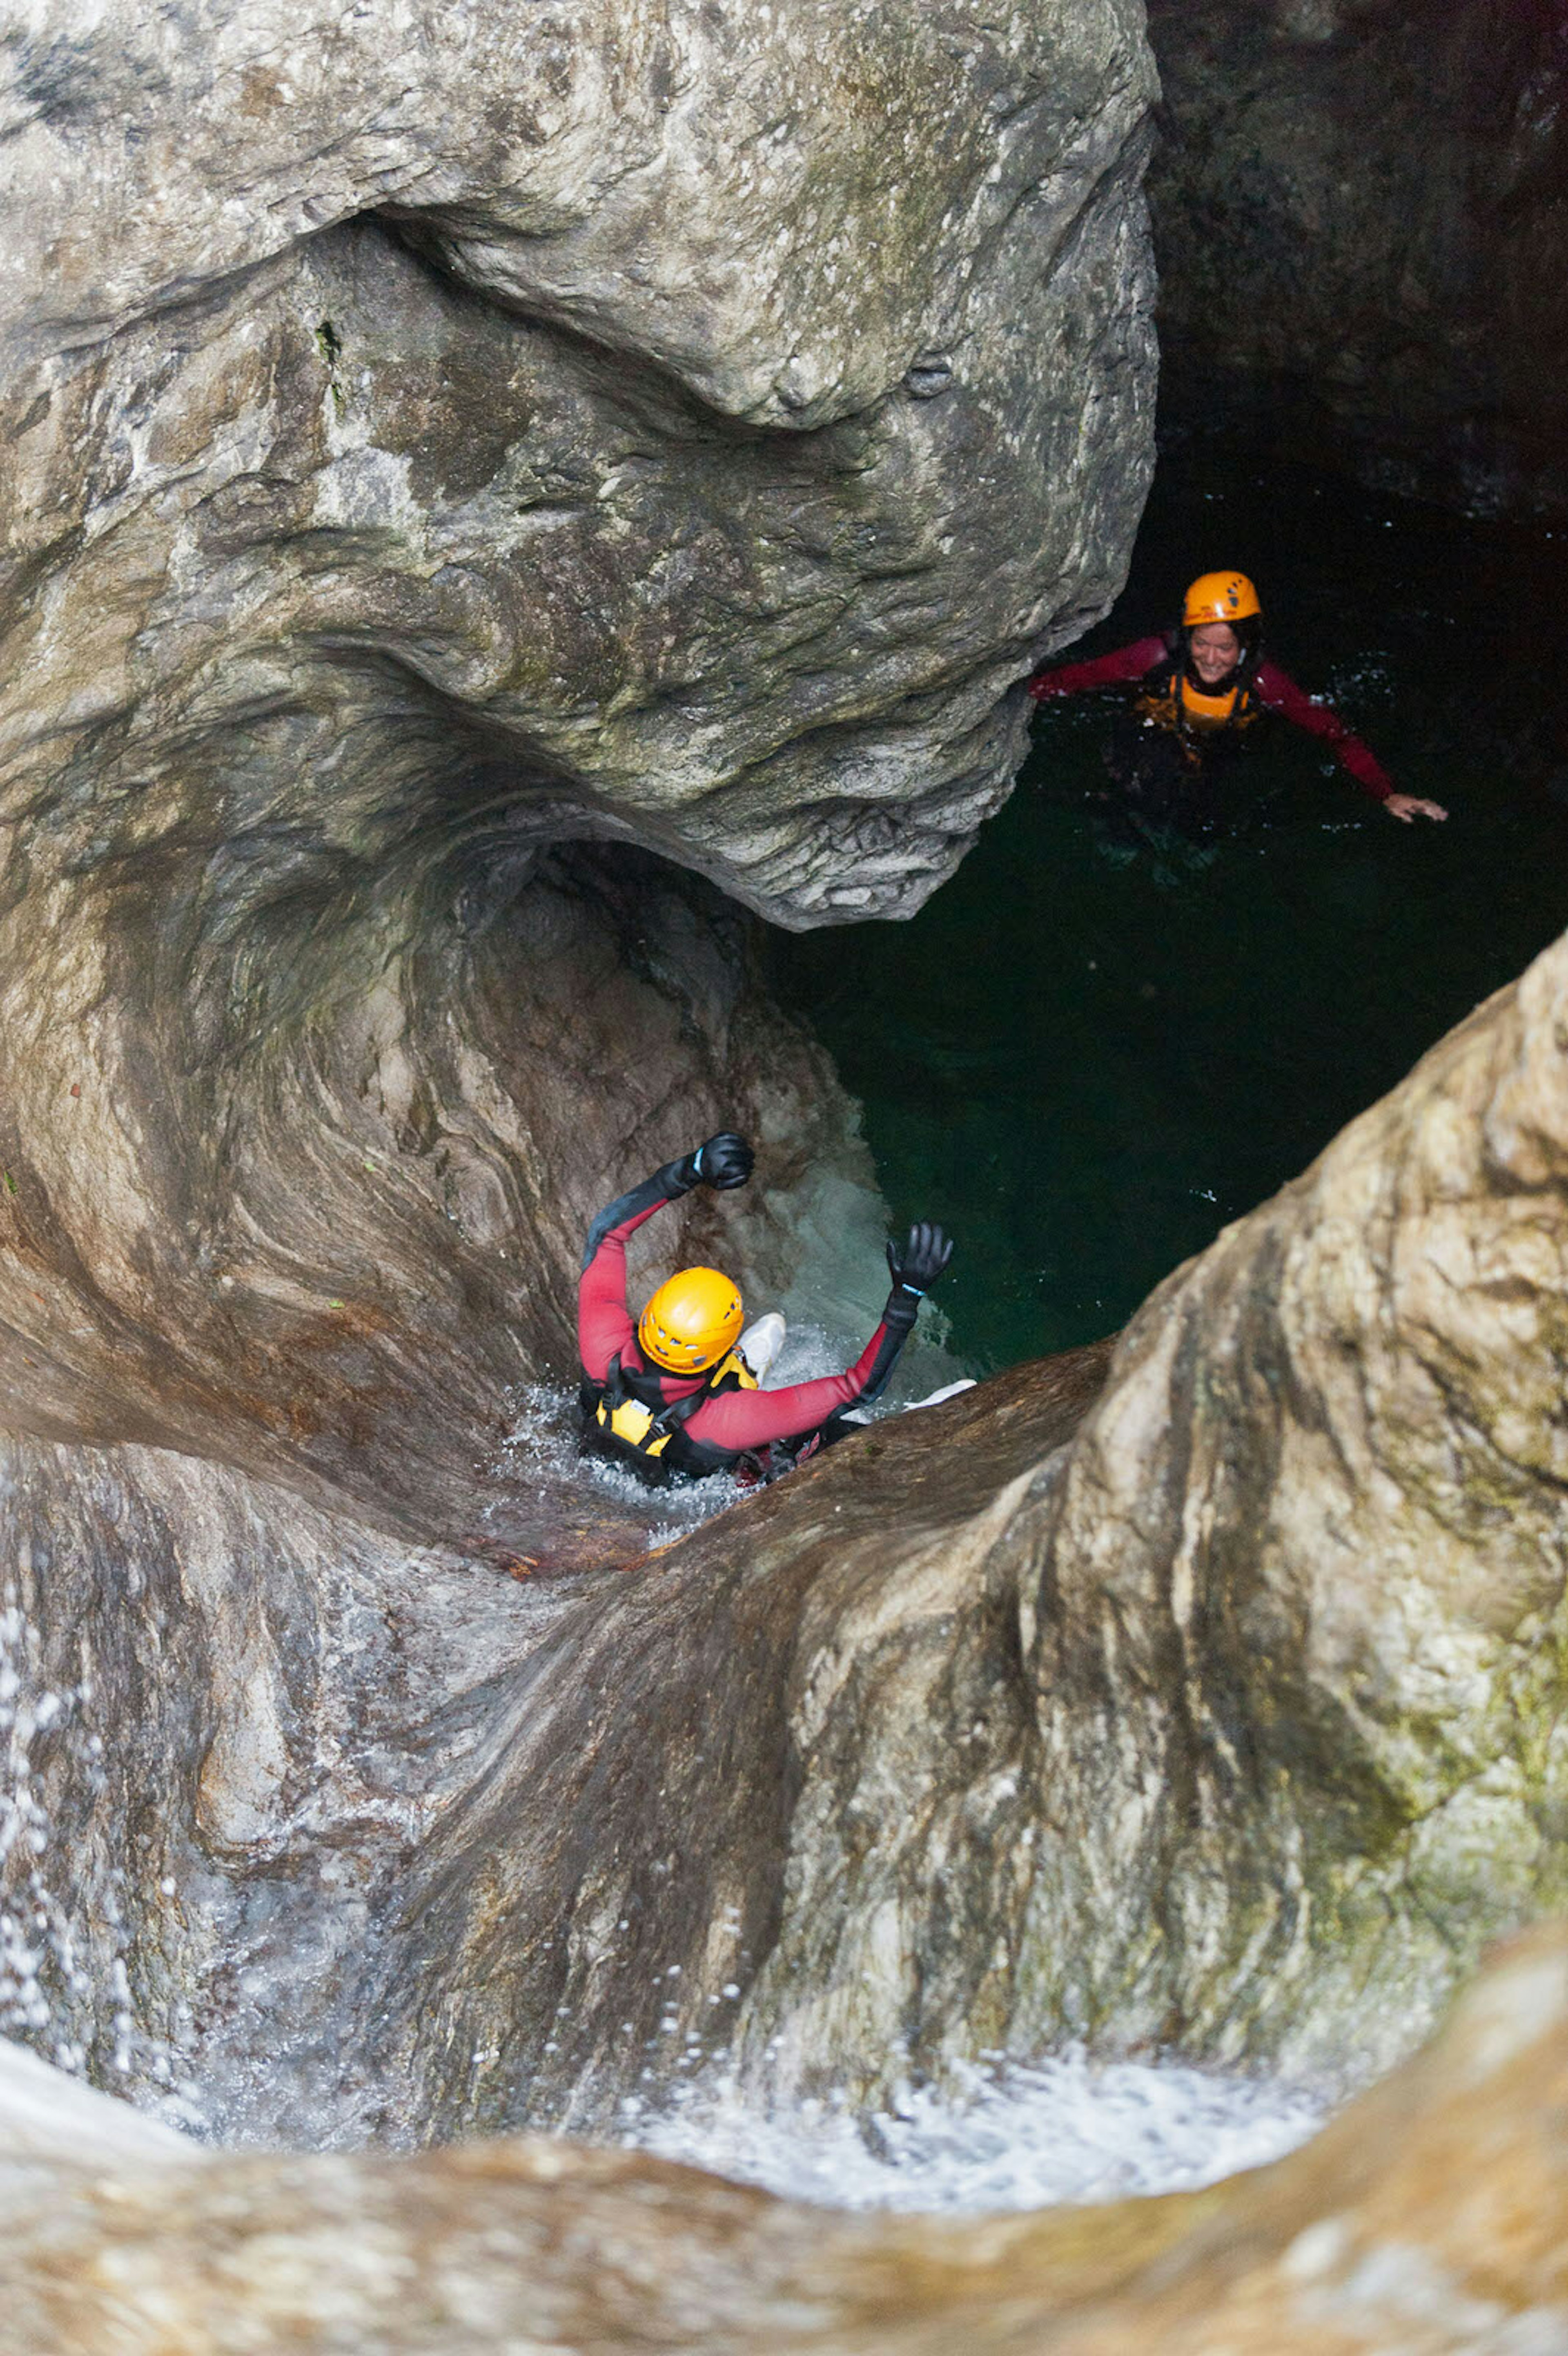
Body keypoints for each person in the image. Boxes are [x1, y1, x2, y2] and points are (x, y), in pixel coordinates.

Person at [578, 1131, 953, 1485]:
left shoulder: (601, 1347)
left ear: (651, 1316)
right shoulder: (732, 1419)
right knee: (823, 1438)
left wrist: (690, 1168)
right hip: (714, 1461)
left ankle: (739, 1372)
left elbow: (605, 1235)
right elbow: (858, 1388)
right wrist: (906, 1297)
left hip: (624, 1458)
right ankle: (914, 1419)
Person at [1029, 571, 1448, 832]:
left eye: (1225, 647)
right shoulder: (1154, 658)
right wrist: (1019, 698)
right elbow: (1075, 680)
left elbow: (1336, 735)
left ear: (1246, 645)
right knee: (1142, 780)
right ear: (1187, 637)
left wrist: (1386, 794)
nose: (1211, 658)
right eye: (1201, 643)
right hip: (1150, 736)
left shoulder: (1266, 683)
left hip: (1221, 749)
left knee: (1201, 820)